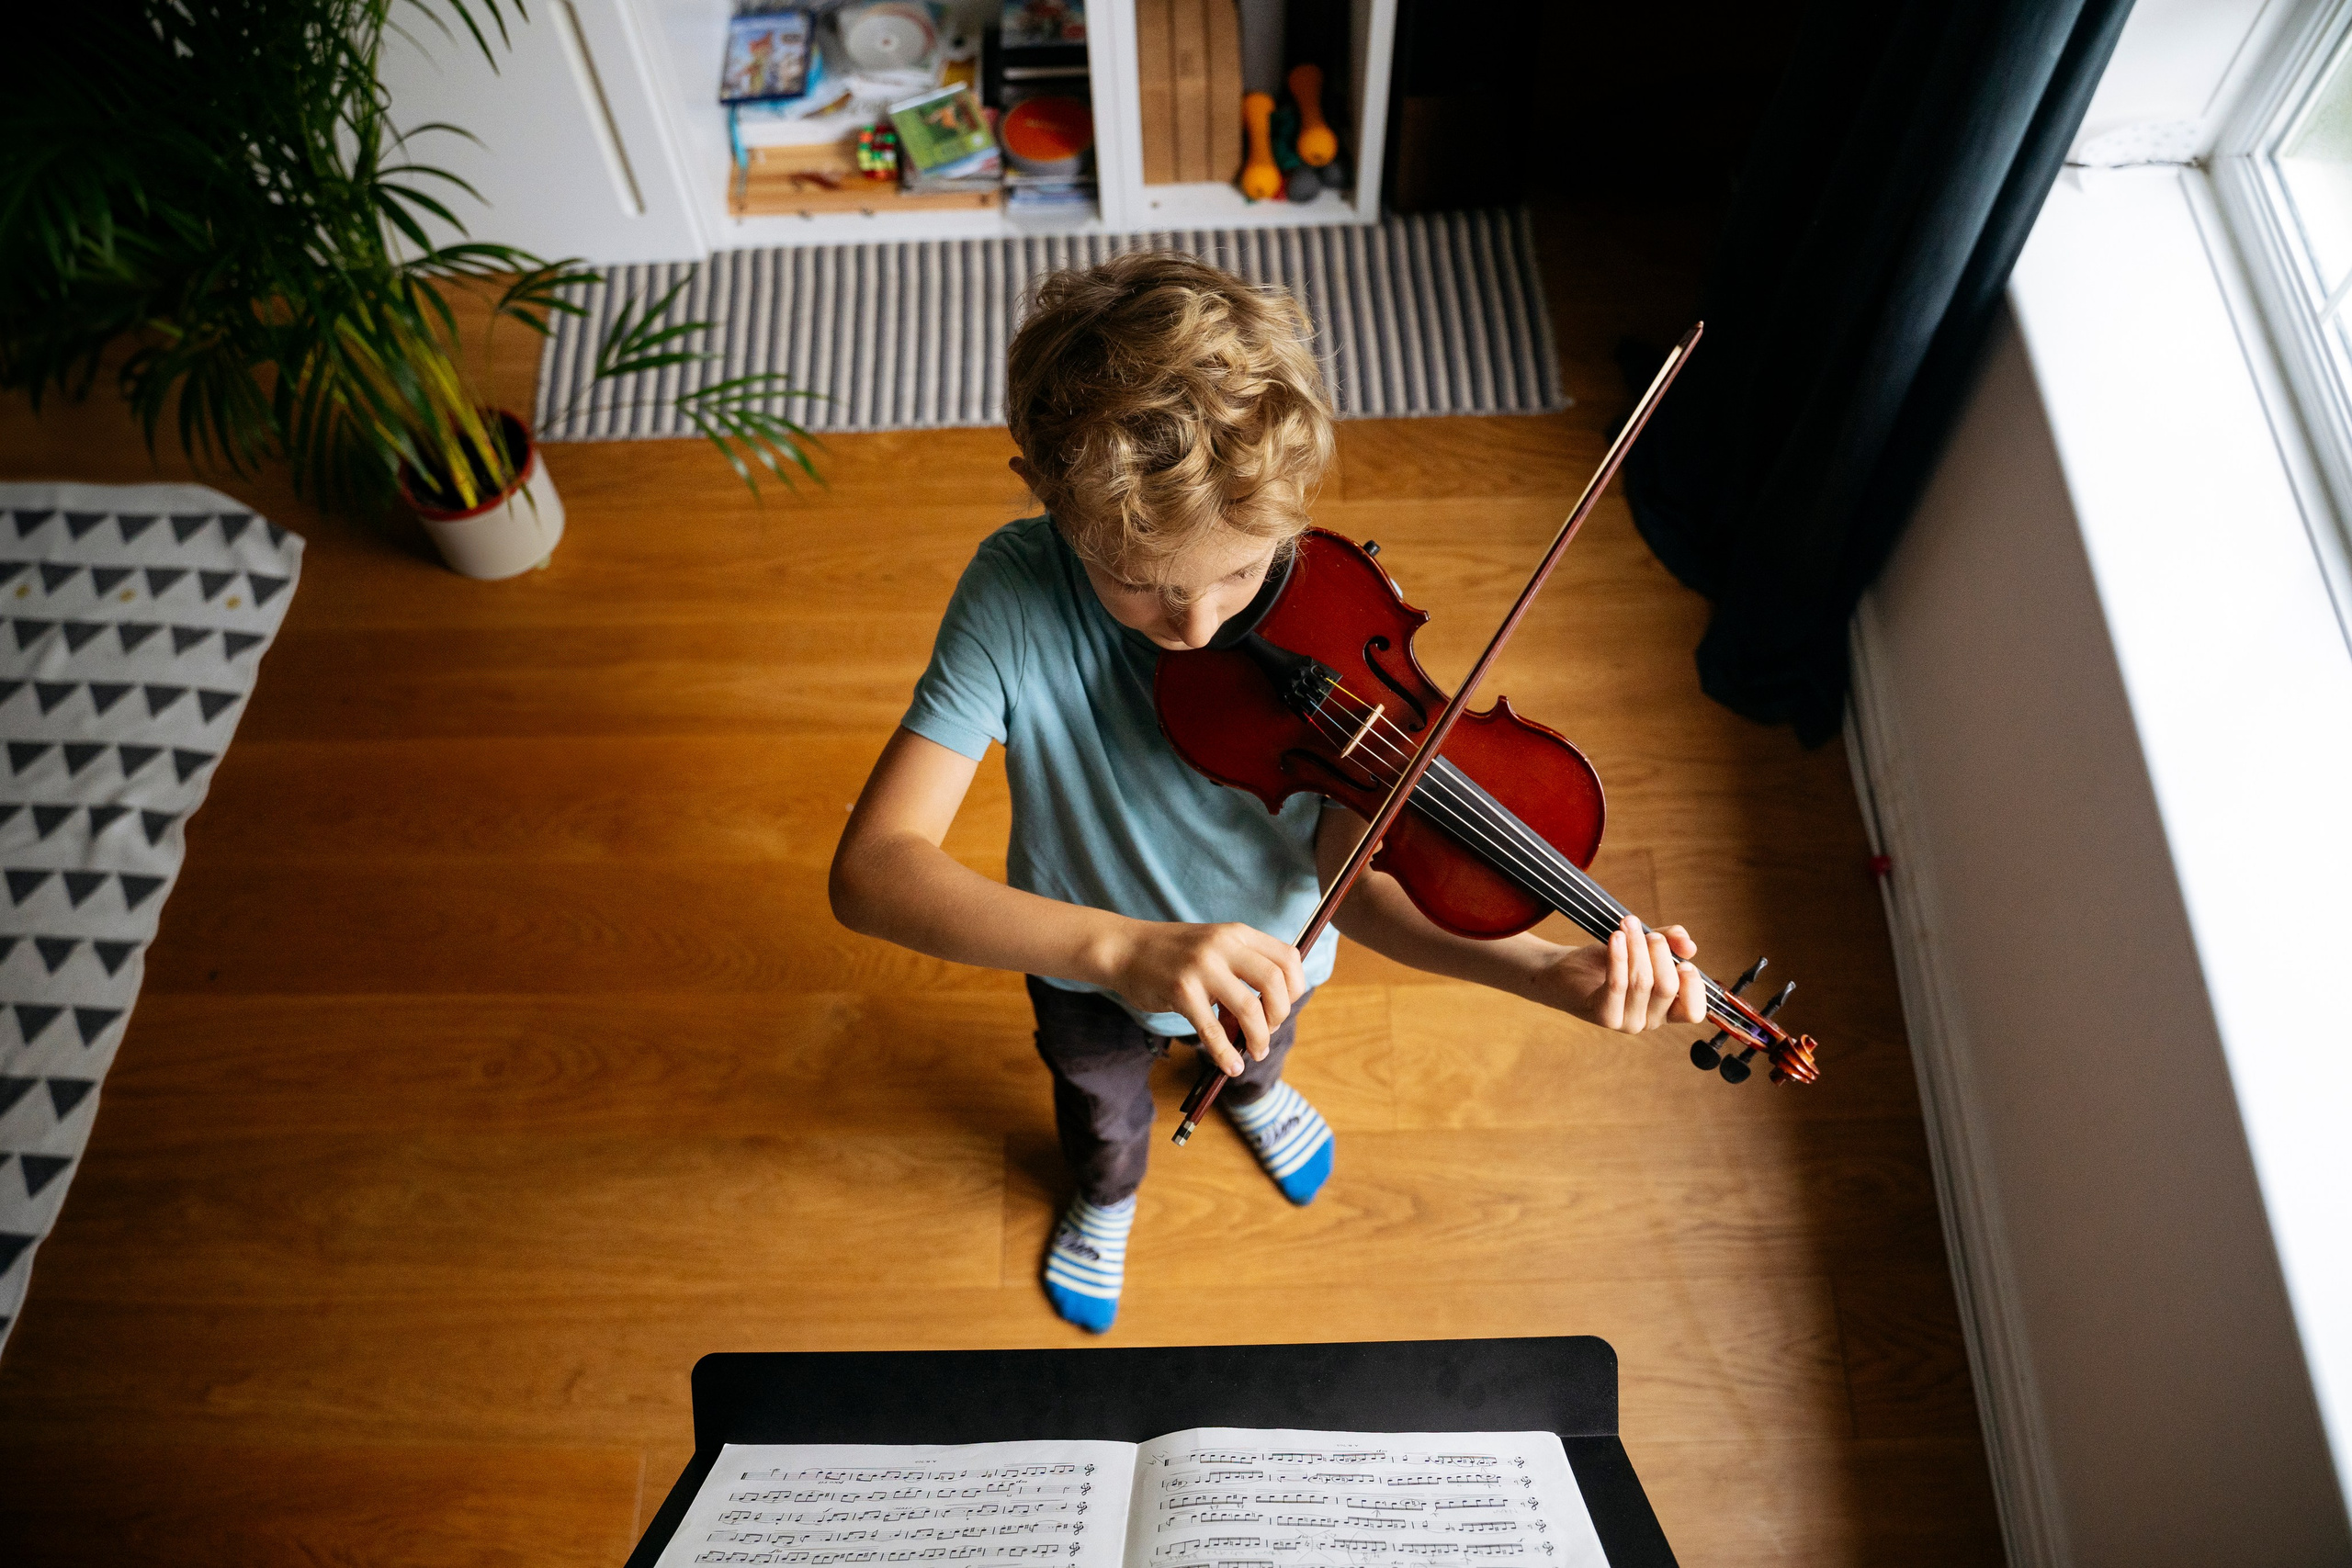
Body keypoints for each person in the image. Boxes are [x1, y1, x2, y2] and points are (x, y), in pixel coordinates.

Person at [829, 252, 1705, 1334]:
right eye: (1137, 582)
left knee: (1258, 1051)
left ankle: (1250, 1094)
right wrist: (1117, 950)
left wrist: (1539, 971)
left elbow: (1359, 884)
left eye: (1240, 572)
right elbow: (872, 872)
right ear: (1042, 491)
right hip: (1079, 963)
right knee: (1102, 1117)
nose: (1197, 627)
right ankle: (1107, 1197)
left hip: (1277, 962)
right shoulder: (1012, 593)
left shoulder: (1335, 625)